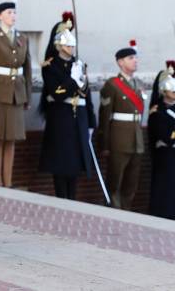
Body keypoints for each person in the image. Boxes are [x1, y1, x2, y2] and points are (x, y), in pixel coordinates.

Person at [36, 16, 95, 200]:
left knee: (76, 162)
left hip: (79, 116)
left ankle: (72, 198)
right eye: (68, 46)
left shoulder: (78, 64)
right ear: (59, 45)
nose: (71, 49)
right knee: (62, 161)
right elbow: (57, 93)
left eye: (72, 46)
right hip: (61, 116)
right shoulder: (50, 66)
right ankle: (62, 198)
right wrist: (73, 80)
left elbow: (86, 93)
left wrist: (91, 121)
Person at [0, 0, 31, 188]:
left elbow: (27, 69)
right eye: (9, 12)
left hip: (16, 94)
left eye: (14, 12)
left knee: (11, 138)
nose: (13, 16)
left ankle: (8, 182)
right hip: (0, 94)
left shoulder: (22, 38)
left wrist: (27, 95)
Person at [98, 41, 147, 210]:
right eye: (131, 58)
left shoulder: (138, 85)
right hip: (119, 140)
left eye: (136, 58)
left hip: (136, 141)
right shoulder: (112, 85)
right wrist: (104, 144)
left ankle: (127, 213)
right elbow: (104, 117)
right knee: (115, 182)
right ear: (120, 62)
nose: (135, 61)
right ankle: (114, 213)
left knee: (131, 184)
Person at [148, 74, 175, 219]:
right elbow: (164, 135)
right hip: (166, 155)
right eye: (173, 91)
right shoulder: (158, 111)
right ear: (165, 91)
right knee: (166, 187)